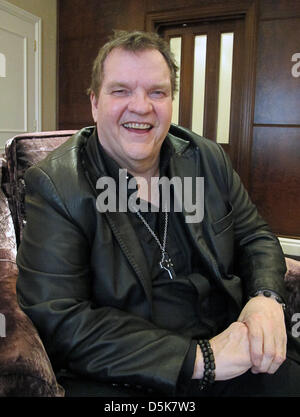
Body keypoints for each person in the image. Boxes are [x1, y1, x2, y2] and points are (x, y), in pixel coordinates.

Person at [16, 30, 300, 397]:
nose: (141, 106)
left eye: (157, 92)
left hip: (233, 346)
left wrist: (265, 298)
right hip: (130, 373)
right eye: (120, 91)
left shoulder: (206, 157)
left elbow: (254, 235)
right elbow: (60, 318)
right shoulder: (56, 185)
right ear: (94, 103)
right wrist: (200, 358)